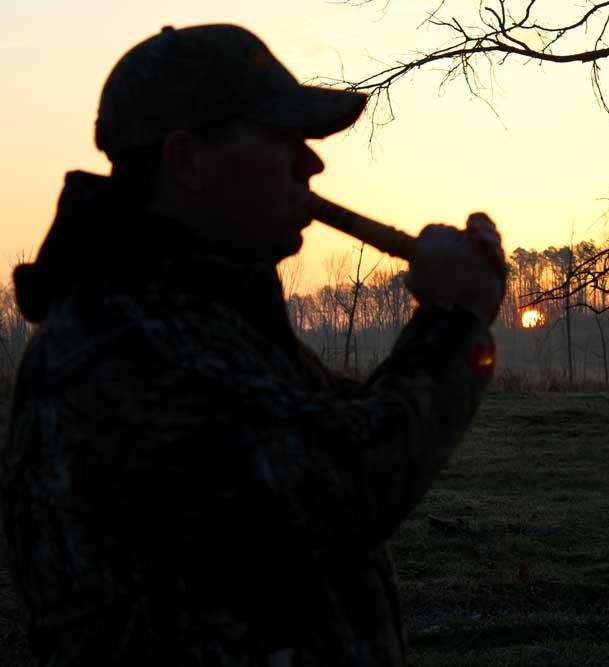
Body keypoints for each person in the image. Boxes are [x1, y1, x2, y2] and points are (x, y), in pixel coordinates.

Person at [0, 23, 505, 666]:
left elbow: (332, 431)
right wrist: (455, 320)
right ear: (187, 161)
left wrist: (452, 323)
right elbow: (343, 484)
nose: (312, 164)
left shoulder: (203, 317)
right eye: (281, 138)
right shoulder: (123, 346)